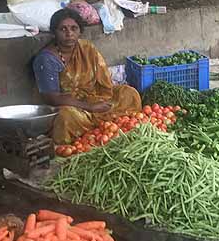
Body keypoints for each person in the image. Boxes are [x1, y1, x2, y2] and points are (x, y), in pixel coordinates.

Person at [32, 8, 141, 144]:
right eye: (63, 29)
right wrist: (89, 107)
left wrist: (97, 102)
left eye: (74, 28)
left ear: (80, 31)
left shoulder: (86, 48)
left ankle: (107, 129)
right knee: (65, 117)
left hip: (94, 97)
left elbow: (104, 83)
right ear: (55, 32)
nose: (69, 34)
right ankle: (95, 132)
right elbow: (51, 98)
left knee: (129, 93)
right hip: (71, 106)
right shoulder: (46, 59)